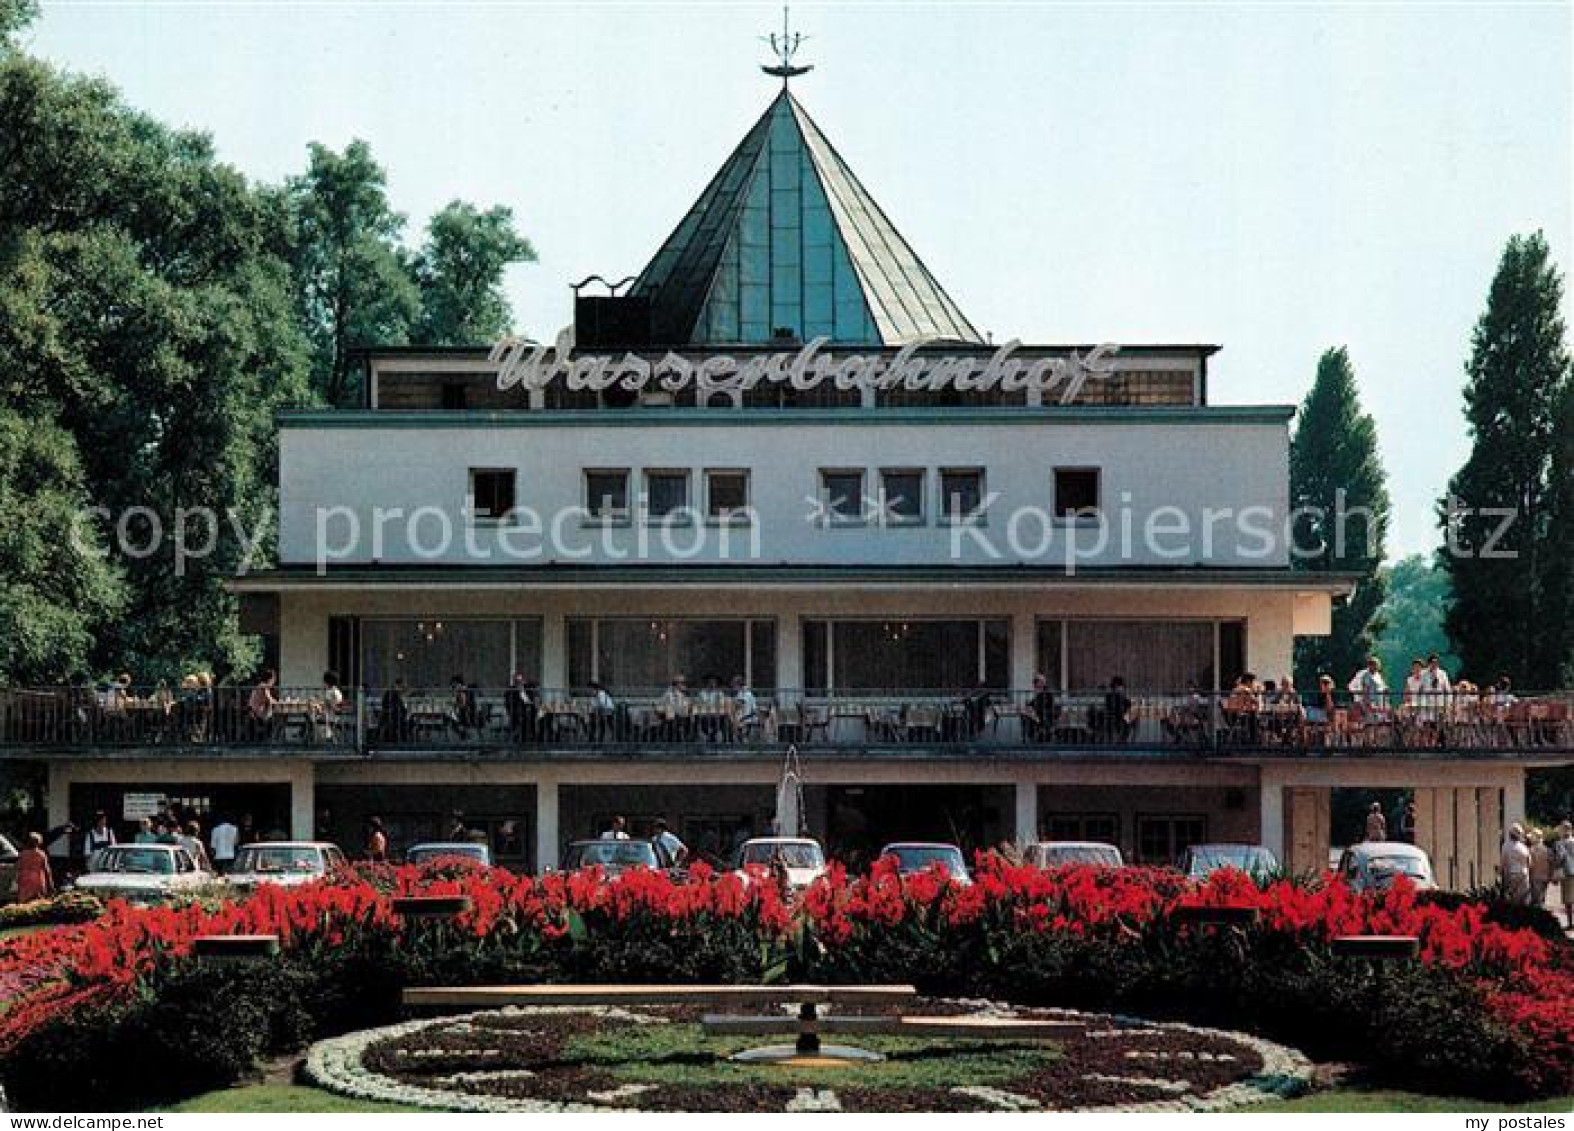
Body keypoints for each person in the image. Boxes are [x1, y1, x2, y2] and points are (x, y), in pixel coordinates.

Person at [17, 833, 53, 904]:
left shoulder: (22, 854)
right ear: (38, 843)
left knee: (23, 902)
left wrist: (18, 879)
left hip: (25, 880)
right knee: (38, 902)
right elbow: (46, 870)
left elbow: (19, 867)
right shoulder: (41, 854)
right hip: (37, 879)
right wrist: (51, 884)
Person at [1501, 823, 1532, 905]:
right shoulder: (1523, 847)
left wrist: (1503, 875)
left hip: (1513, 874)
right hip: (1524, 874)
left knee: (1513, 899)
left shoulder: (1506, 846)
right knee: (1524, 899)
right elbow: (1529, 862)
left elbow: (1504, 862)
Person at [504, 672, 540, 743]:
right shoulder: (512, 690)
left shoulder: (527, 688)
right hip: (517, 712)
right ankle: (525, 736)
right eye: (518, 681)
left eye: (522, 680)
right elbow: (510, 702)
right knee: (526, 718)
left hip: (527, 710)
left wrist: (532, 702)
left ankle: (534, 735)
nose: (520, 682)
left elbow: (531, 697)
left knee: (538, 715)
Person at [1024, 672, 1058, 742]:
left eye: (1036, 682)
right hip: (1040, 715)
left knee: (1029, 716)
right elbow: (1032, 704)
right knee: (1026, 715)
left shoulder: (1047, 693)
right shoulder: (1039, 693)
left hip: (1046, 716)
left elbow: (1041, 705)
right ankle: (1030, 736)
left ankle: (1033, 736)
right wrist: (1028, 706)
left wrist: (1032, 709)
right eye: (1034, 682)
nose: (1034, 685)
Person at [1552, 822, 1574, 928]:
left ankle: (1570, 923)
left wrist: (1555, 872)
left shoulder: (1560, 843)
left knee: (1568, 900)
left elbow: (1560, 858)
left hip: (1567, 872)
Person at [1527, 828, 1553, 909]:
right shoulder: (1547, 850)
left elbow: (1529, 865)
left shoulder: (1531, 850)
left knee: (1537, 901)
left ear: (1536, 838)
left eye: (1532, 837)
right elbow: (1552, 863)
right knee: (1542, 899)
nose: (1530, 839)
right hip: (1545, 877)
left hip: (1535, 877)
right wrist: (1550, 876)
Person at [379, 679, 410, 743]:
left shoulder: (394, 693)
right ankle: (403, 740)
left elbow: (400, 706)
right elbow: (396, 706)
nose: (403, 689)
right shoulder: (392, 693)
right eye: (402, 687)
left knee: (405, 723)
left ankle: (403, 739)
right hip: (393, 716)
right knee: (404, 725)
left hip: (394, 715)